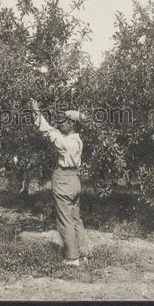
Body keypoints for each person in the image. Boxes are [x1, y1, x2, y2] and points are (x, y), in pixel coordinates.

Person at [30, 99, 89, 267]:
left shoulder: (67, 143)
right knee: (76, 218)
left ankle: (72, 258)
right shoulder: (77, 140)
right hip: (74, 181)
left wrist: (37, 112)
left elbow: (49, 132)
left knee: (65, 219)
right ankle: (83, 253)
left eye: (64, 121)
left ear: (72, 124)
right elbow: (54, 131)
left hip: (64, 180)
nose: (61, 124)